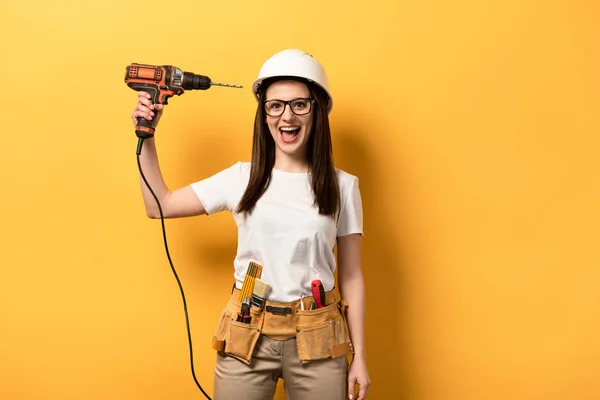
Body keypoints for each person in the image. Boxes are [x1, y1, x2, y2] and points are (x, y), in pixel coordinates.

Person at [130, 49, 371, 400]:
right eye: (275, 105)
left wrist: (359, 357)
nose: (286, 116)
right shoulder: (241, 178)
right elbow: (158, 205)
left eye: (299, 104)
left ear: (318, 111)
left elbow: (351, 276)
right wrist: (147, 135)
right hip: (247, 327)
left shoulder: (342, 186)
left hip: (320, 333)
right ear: (264, 114)